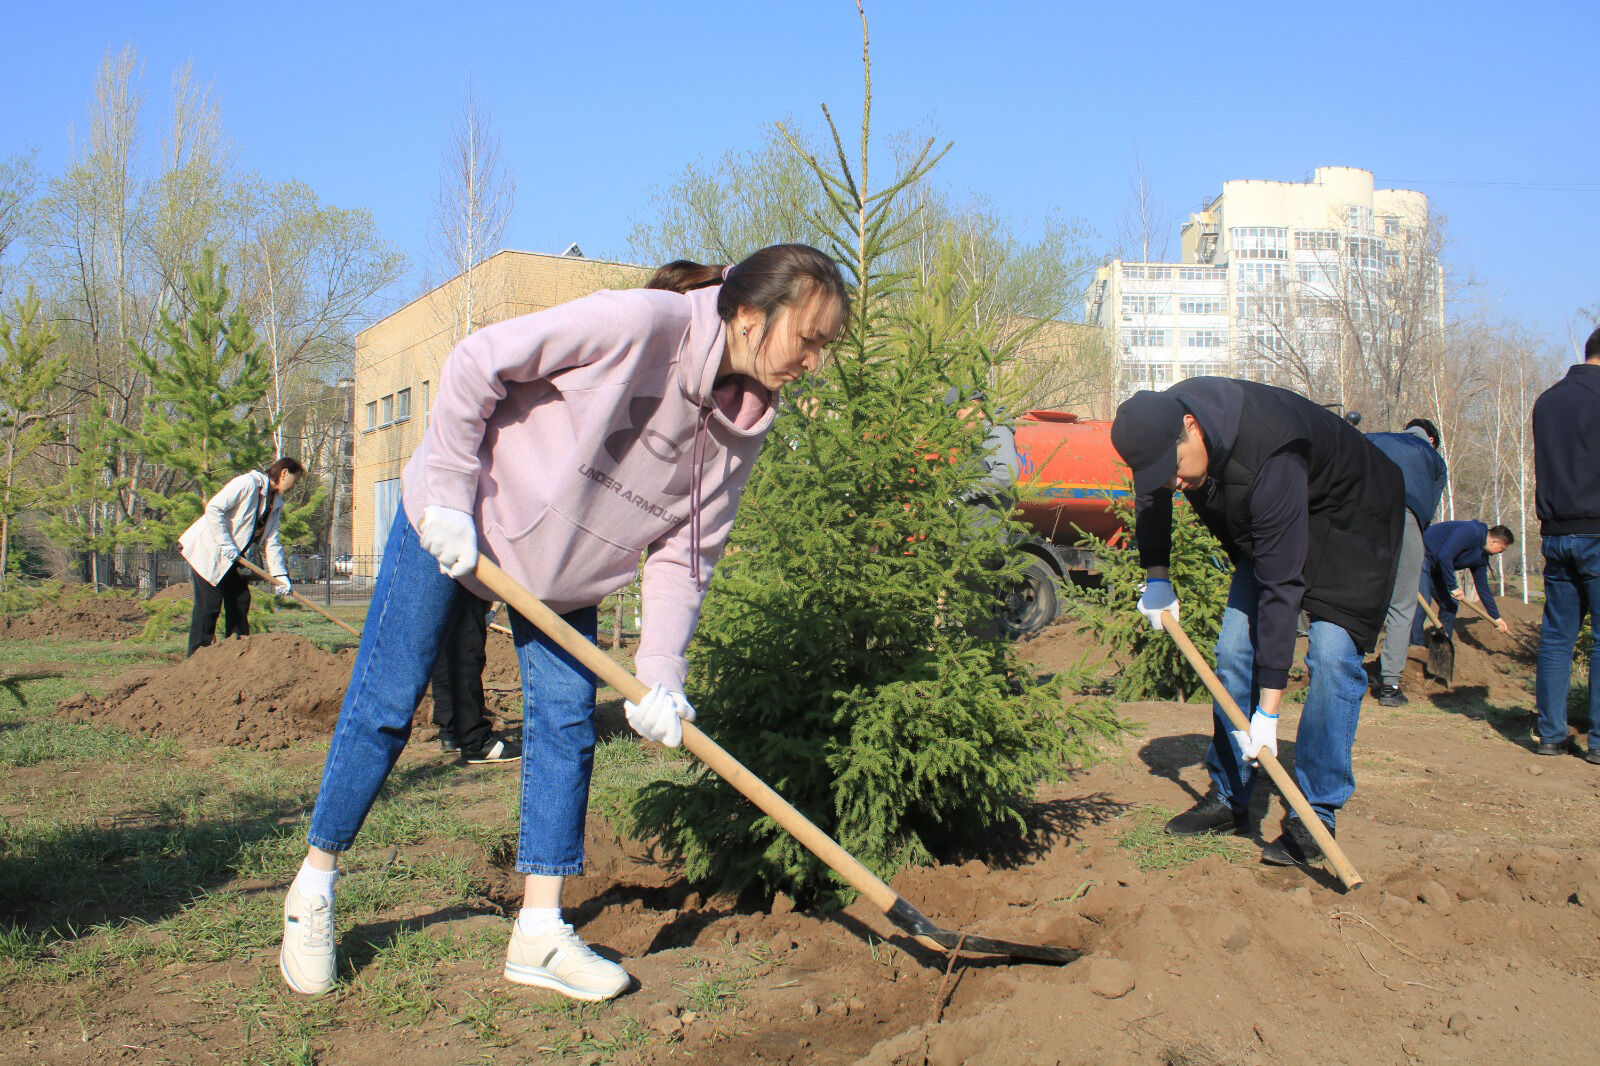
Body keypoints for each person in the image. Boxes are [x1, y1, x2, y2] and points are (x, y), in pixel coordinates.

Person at [278, 244, 848, 1001]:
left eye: (825, 347)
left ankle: (539, 933)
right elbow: (478, 359)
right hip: (465, 520)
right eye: (809, 339)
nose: (814, 361)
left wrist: (662, 674)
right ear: (748, 315)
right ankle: (314, 886)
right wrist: (448, 492)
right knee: (388, 702)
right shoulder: (638, 323)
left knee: (567, 726)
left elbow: (687, 554)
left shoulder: (744, 424)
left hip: (568, 569)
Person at [1111, 377, 1403, 870]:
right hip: (1275, 517)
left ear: (1192, 428)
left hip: (1354, 518)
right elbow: (1153, 499)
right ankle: (1229, 797)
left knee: (1331, 655)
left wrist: (1268, 712)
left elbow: (1281, 588)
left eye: (1175, 468)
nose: (1173, 481)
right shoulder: (1168, 427)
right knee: (1233, 650)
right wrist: (1156, 576)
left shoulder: (1270, 452)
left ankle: (1315, 814)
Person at [1532, 325, 1600, 759]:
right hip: (1598, 530)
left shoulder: (1548, 399)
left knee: (1557, 637)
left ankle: (1552, 734)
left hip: (1557, 534)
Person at [178, 457, 302, 656]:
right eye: (294, 481)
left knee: (240, 600)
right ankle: (196, 658)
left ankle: (237, 654)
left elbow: (272, 541)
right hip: (210, 553)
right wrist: (225, 542)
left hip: (234, 559)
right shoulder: (248, 483)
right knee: (209, 607)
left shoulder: (276, 503)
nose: (294, 486)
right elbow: (214, 508)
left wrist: (280, 576)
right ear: (284, 473)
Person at [1366, 419, 1449, 705]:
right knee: (1402, 606)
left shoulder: (1376, 437)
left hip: (1363, 518)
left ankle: (1342, 668)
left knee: (1357, 596)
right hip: (1406, 519)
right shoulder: (1435, 460)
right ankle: (1389, 686)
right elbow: (1427, 512)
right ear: (1432, 440)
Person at [430, 592, 521, 763]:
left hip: (442, 573)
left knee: (447, 634)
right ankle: (476, 741)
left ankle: (451, 731)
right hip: (466, 576)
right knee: (467, 635)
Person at [1411, 520, 1513, 645]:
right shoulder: (1470, 532)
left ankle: (1442, 645)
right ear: (1494, 542)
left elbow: (1483, 587)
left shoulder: (1481, 557)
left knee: (1450, 604)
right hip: (1422, 554)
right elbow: (1445, 556)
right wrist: (1453, 587)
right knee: (1424, 602)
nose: (1500, 553)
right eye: (1501, 549)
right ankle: (1415, 645)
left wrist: (1496, 617)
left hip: (1437, 567)